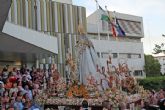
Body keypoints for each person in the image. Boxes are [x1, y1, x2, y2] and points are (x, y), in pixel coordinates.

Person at [76, 24, 109, 90]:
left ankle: (89, 84)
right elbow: (85, 44)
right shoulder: (82, 36)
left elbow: (87, 44)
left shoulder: (83, 36)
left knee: (87, 66)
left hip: (85, 53)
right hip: (84, 53)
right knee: (85, 66)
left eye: (80, 29)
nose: (80, 30)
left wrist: (81, 45)